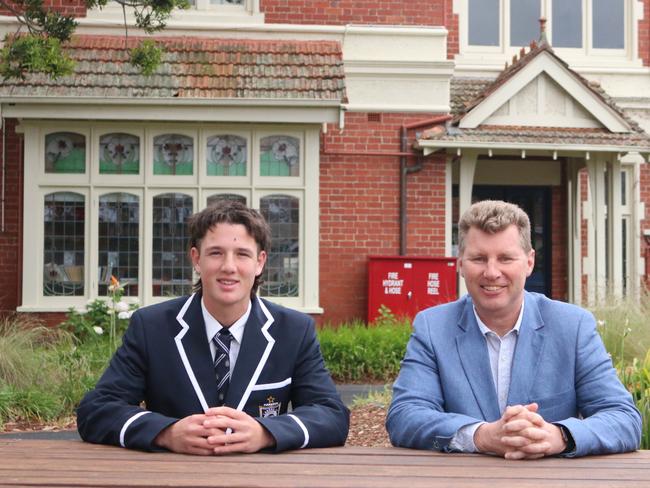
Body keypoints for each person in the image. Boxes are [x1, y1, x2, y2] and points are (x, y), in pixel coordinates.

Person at [77, 201, 349, 454]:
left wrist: (266, 432)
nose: (228, 267)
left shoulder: (293, 330)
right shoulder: (152, 327)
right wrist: (166, 433)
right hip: (172, 478)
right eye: (216, 253)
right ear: (196, 259)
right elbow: (96, 410)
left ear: (260, 262)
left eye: (242, 254)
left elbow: (332, 414)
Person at [386, 200, 641, 459]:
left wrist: (559, 436)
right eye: (479, 258)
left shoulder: (572, 326)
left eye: (506, 258)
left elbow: (623, 417)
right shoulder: (433, 327)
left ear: (529, 262)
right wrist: (481, 436)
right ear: (461, 263)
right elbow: (405, 415)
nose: (492, 272)